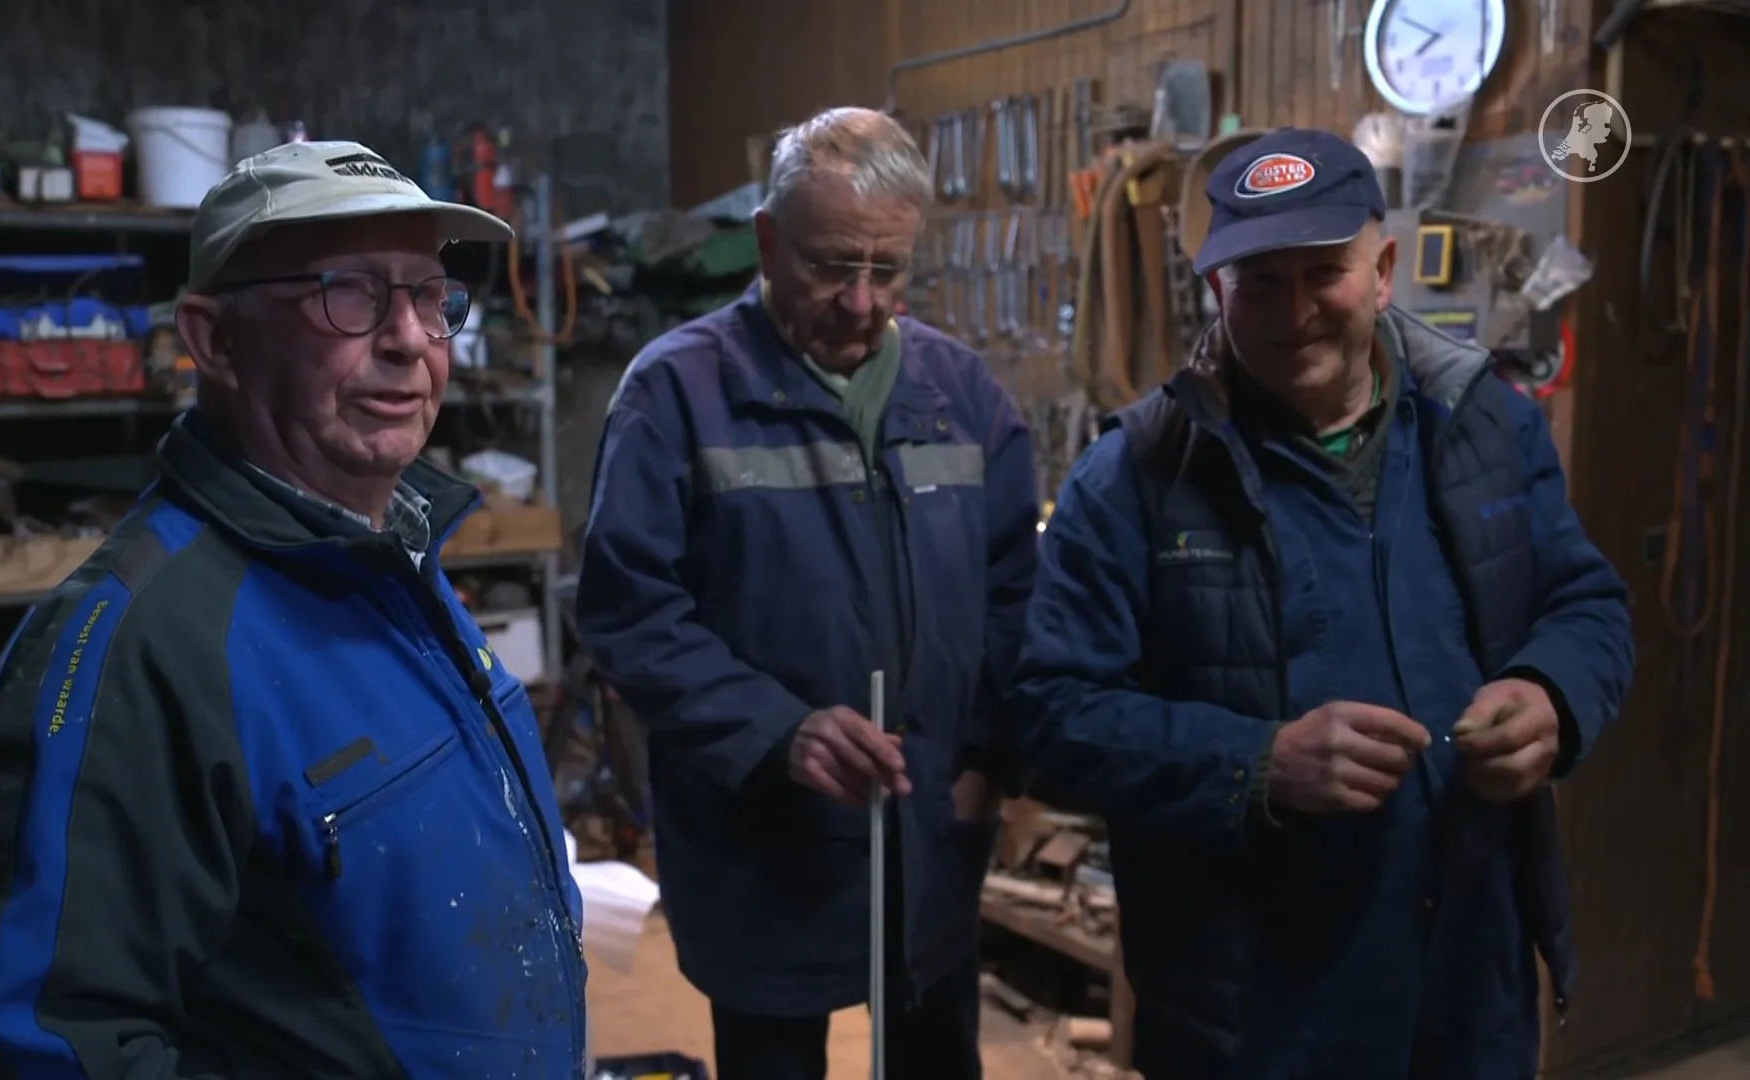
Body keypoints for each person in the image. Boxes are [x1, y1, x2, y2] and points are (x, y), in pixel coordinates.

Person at [0, 141, 588, 1078]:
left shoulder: (392, 562)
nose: (407, 338)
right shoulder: (137, 654)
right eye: (349, 293)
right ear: (215, 338)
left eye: (429, 297)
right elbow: (44, 1048)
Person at [1012, 128, 1634, 1079]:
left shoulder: (1487, 428)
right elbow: (1049, 714)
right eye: (1260, 278)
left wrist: (1554, 694)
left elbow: (1586, 603)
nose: (1294, 310)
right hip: (1255, 1014)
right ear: (1214, 285)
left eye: (1323, 273)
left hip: (1469, 989)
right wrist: (1258, 763)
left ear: (1382, 270)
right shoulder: (1132, 477)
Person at [575, 106, 1039, 1079]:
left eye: (889, 269)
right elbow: (629, 612)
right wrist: (775, 730)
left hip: (928, 833)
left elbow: (1013, 594)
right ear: (768, 241)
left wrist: (987, 753)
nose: (863, 302)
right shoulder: (678, 394)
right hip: (762, 843)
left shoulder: (965, 395)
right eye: (832, 266)